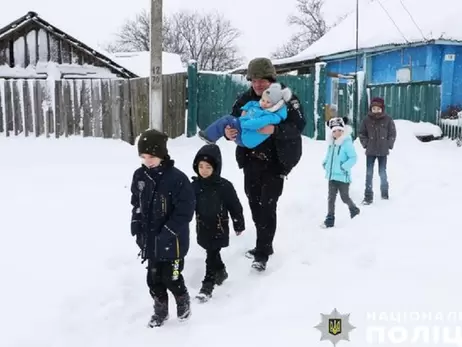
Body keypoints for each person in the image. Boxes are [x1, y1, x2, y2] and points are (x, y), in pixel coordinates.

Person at [224, 57, 306, 272]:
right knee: (253, 203)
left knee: (268, 205)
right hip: (251, 161)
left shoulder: (286, 97)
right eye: (254, 81)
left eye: (263, 81)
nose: (258, 85)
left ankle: (262, 251)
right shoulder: (245, 99)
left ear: (271, 79)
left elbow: (299, 125)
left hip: (276, 162)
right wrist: (228, 132)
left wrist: (275, 130)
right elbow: (232, 122)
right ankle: (263, 243)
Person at [130, 129, 196, 328]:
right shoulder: (140, 176)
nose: (148, 161)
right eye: (144, 157)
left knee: (172, 277)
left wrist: (168, 232)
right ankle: (160, 311)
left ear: (162, 154)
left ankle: (183, 302)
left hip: (173, 241)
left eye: (152, 156)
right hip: (150, 239)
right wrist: (136, 223)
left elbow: (185, 210)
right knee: (154, 279)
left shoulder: (177, 179)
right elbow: (137, 202)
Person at [191, 144, 245, 302]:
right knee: (212, 252)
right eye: (200, 166)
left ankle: (207, 285)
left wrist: (238, 222)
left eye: (208, 167)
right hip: (202, 227)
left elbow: (235, 206)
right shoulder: (194, 186)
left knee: (211, 253)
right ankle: (221, 272)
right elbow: (186, 205)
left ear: (216, 167)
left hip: (219, 227)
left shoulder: (224, 186)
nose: (204, 170)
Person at [198, 83, 292, 148]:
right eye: (263, 100)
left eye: (268, 102)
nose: (264, 103)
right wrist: (245, 109)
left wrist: (243, 120)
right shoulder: (261, 105)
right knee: (227, 121)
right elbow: (251, 103)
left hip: (245, 139)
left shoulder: (271, 116)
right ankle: (210, 136)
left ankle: (209, 136)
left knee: (227, 119)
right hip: (243, 133)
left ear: (275, 104)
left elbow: (254, 124)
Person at [322, 117, 360, 228]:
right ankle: (330, 219)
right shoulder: (332, 144)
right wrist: (325, 163)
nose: (337, 133)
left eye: (339, 130)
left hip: (343, 177)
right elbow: (329, 156)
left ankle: (353, 209)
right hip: (332, 176)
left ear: (343, 130)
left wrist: (344, 167)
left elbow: (353, 157)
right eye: (334, 131)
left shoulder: (346, 143)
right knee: (331, 198)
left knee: (344, 197)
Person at [359, 97, 397, 204]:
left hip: (383, 151)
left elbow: (392, 133)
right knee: (369, 173)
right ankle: (368, 196)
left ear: (382, 109)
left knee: (382, 172)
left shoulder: (388, 119)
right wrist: (365, 143)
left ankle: (384, 194)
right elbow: (362, 133)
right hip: (370, 151)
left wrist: (389, 144)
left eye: (378, 108)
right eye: (374, 108)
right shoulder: (366, 120)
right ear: (371, 109)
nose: (376, 110)